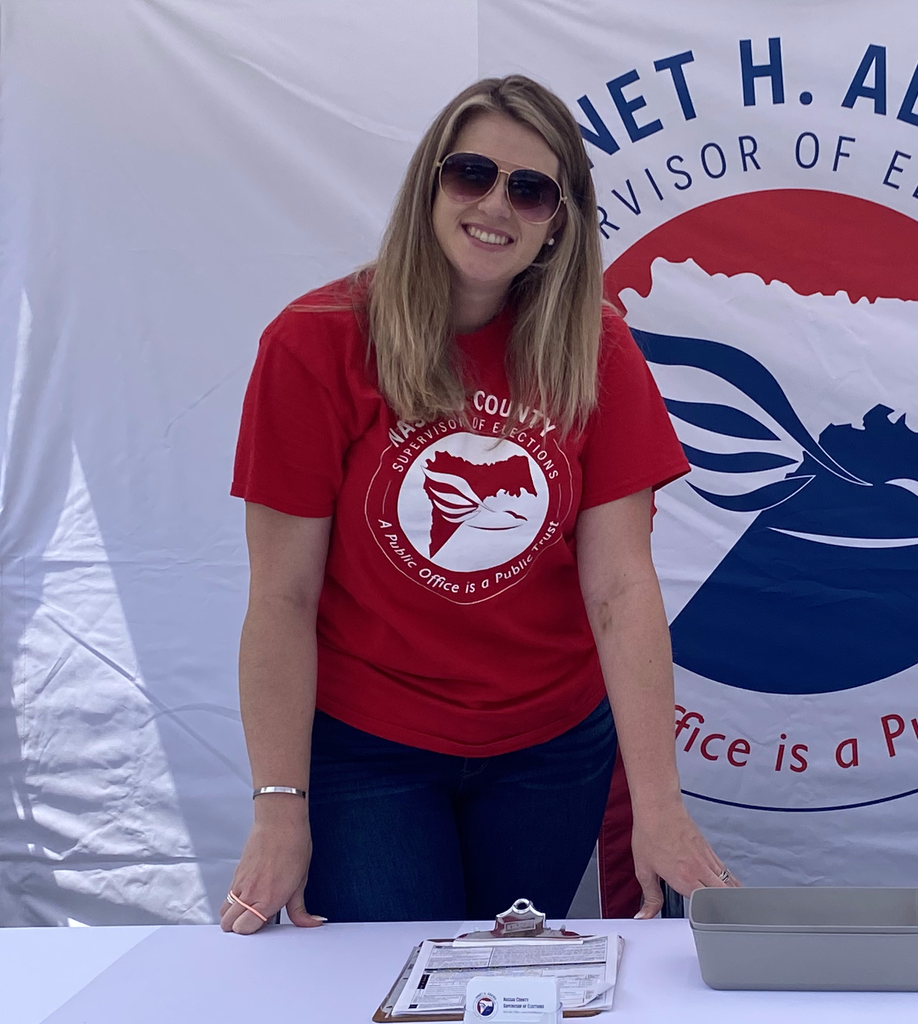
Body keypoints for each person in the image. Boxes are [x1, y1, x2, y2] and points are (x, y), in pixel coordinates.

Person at [221, 75, 737, 932]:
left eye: (531, 189)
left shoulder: (595, 346)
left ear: (558, 222)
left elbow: (620, 589)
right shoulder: (317, 342)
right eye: (472, 174)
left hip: (551, 750)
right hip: (369, 745)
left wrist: (659, 806)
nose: (497, 204)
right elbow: (282, 598)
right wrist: (279, 811)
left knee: (509, 998)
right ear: (431, 184)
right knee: (401, 1008)